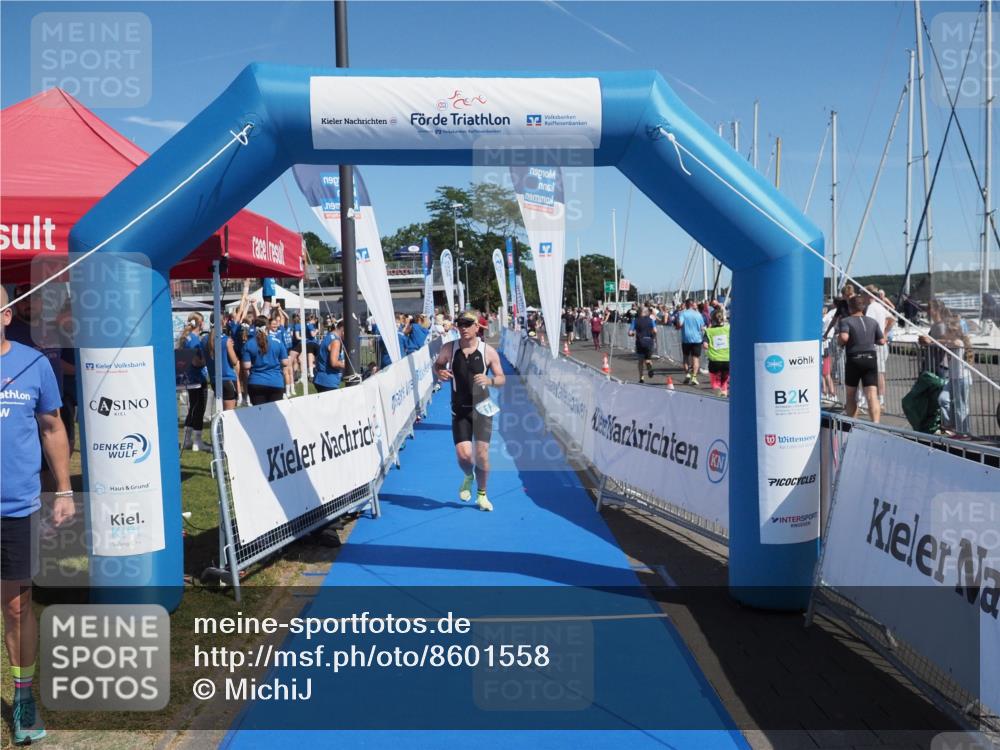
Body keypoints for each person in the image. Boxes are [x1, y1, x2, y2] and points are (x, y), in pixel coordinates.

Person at [1, 286, 74, 745]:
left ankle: (23, 697)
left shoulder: (34, 363)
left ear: (6, 315)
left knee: (17, 606)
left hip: (15, 507)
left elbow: (52, 427)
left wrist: (64, 488)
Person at [433, 310, 506, 512]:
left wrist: (490, 380)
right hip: (460, 410)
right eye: (460, 324)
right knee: (465, 457)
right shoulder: (449, 348)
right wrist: (440, 372)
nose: (463, 328)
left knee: (482, 455)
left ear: (477, 327)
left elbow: (501, 378)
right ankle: (468, 476)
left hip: (482, 409)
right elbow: (437, 365)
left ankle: (482, 495)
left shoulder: (488, 351)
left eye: (467, 324)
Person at [837, 294, 885, 423]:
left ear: (850, 307)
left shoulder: (846, 321)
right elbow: (881, 340)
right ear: (864, 307)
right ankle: (876, 424)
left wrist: (838, 341)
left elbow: (844, 338)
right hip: (870, 358)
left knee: (851, 394)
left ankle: (853, 424)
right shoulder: (872, 322)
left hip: (854, 358)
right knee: (872, 395)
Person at [241, 315, 290, 404]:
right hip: (275, 382)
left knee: (259, 415)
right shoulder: (278, 342)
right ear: (268, 327)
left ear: (254, 327)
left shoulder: (249, 344)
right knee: (273, 415)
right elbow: (285, 362)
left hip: (256, 382)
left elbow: (246, 366)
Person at [178, 313, 208, 451]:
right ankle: (197, 441)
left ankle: (187, 440)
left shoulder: (186, 338)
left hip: (189, 378)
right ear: (199, 323)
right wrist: (207, 360)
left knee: (193, 409)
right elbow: (196, 362)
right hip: (197, 378)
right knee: (199, 409)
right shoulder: (195, 340)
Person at [203, 313, 240, 412]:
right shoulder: (226, 340)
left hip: (214, 380)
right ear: (223, 322)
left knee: (221, 412)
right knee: (229, 413)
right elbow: (234, 361)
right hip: (227, 379)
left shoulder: (204, 340)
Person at [676, 299, 705, 386]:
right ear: (693, 305)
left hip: (686, 339)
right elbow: (702, 327)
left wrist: (677, 325)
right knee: (695, 358)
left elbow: (680, 325)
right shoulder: (698, 314)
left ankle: (688, 374)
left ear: (686, 305)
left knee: (685, 358)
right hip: (697, 339)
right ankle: (694, 377)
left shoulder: (683, 313)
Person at [704, 308, 731, 397]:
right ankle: (724, 394)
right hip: (727, 360)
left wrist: (708, 352)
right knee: (724, 381)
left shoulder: (708, 331)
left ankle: (717, 390)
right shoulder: (728, 329)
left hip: (714, 360)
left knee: (715, 382)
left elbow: (705, 345)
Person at [314, 318, 345, 392]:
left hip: (321, 379)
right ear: (343, 329)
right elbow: (334, 363)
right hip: (328, 381)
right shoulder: (336, 341)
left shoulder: (328, 336)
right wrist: (347, 365)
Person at [628, 305, 657, 383]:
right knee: (648, 359)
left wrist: (632, 334)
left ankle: (641, 378)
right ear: (646, 312)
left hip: (640, 342)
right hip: (649, 342)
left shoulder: (635, 320)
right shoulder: (651, 320)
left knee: (640, 361)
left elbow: (630, 332)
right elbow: (655, 331)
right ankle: (649, 367)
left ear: (639, 312)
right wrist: (653, 337)